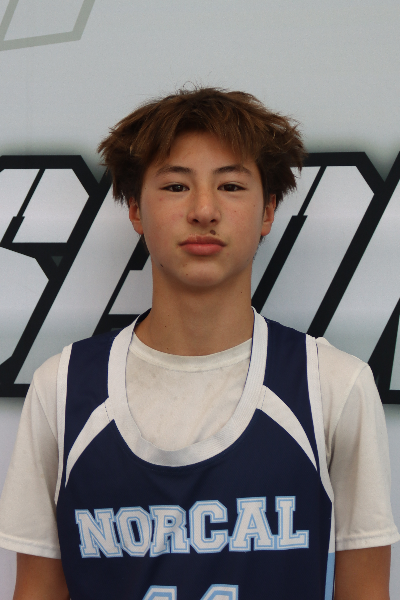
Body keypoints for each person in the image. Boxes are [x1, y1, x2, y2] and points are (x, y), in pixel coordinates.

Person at [0, 87, 398, 600]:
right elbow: (37, 590)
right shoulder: (62, 389)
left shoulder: (334, 385)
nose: (204, 210)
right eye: (175, 186)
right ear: (135, 209)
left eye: (231, 185)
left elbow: (366, 589)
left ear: (268, 210)